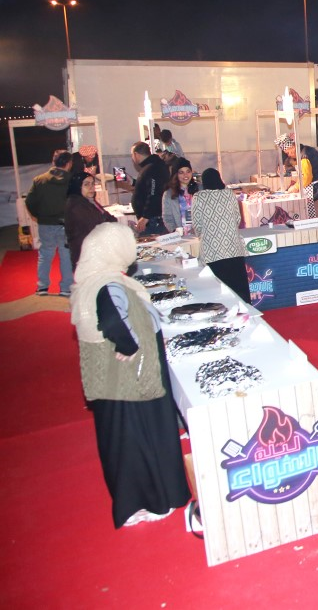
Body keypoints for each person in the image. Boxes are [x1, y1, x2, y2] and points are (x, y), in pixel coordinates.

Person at [70, 222, 190, 528]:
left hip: (115, 379)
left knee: (122, 439)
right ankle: (154, 499)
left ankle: (140, 499)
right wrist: (132, 346)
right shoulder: (108, 284)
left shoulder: (93, 279)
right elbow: (113, 320)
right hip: (130, 379)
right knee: (140, 436)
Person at [189, 169, 253, 302]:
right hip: (234, 249)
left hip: (212, 251)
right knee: (239, 289)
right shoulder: (229, 194)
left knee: (219, 293)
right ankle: (246, 312)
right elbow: (237, 219)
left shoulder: (198, 197)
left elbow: (197, 224)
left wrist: (204, 235)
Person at [24, 150, 75, 296]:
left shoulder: (39, 180)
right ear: (69, 163)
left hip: (45, 223)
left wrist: (39, 215)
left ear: (53, 162)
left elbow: (29, 201)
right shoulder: (72, 180)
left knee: (45, 254)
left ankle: (42, 287)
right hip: (65, 223)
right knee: (66, 255)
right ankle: (66, 288)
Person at [65, 170, 117, 270]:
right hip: (86, 257)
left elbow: (110, 219)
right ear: (77, 186)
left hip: (95, 253)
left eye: (93, 184)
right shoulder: (75, 205)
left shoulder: (90, 201)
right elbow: (95, 228)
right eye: (86, 184)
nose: (91, 187)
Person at [277, 134, 318, 219]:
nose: (288, 155)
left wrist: (295, 187)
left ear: (293, 147)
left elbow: (306, 177)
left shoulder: (304, 156)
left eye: (288, 153)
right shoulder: (305, 151)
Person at [129, 141, 170, 235]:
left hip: (153, 221)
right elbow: (148, 187)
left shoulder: (152, 167)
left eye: (132, 155)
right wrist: (133, 182)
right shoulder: (152, 166)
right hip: (152, 219)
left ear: (136, 154)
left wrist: (146, 217)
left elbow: (154, 193)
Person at [161, 158, 198, 234]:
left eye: (188, 171)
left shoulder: (200, 189)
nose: (185, 175)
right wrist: (175, 231)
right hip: (180, 235)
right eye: (181, 172)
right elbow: (167, 217)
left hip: (198, 234)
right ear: (176, 174)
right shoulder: (168, 194)